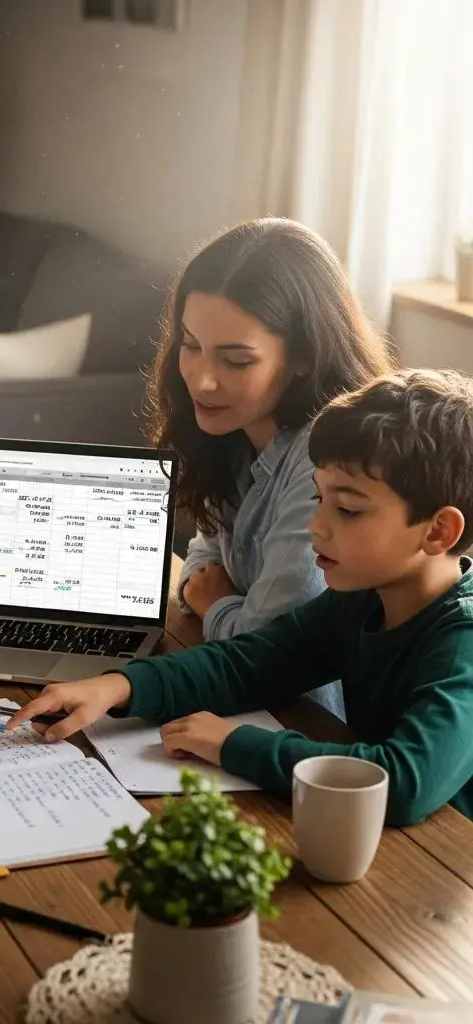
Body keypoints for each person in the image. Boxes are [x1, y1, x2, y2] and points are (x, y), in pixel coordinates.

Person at [7, 369, 473, 827]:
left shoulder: (463, 639)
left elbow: (405, 781)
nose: (317, 525)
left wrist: (234, 744)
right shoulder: (364, 598)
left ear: (437, 531)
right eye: (319, 500)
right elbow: (250, 663)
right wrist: (117, 687)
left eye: (348, 509)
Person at [154, 219, 393, 715]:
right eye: (191, 345)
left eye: (236, 361)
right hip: (242, 693)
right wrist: (215, 596)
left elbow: (271, 645)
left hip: (311, 727)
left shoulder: (325, 463)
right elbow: (203, 558)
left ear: (305, 355)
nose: (202, 381)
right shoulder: (231, 430)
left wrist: (216, 604)